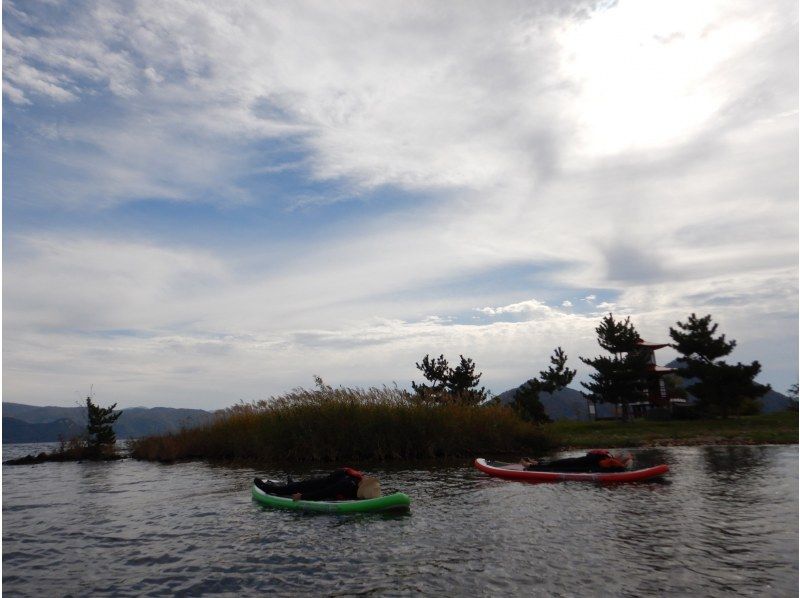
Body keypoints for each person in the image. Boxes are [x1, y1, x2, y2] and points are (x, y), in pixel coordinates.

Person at [253, 467, 382, 501]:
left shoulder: (349, 483)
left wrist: (302, 497)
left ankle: (268, 488)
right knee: (297, 485)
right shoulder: (355, 480)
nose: (365, 478)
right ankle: (284, 484)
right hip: (324, 481)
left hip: (322, 486)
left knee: (296, 488)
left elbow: (325, 492)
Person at [520, 449, 633, 473]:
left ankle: (531, 467)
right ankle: (537, 464)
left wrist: (619, 462)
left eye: (620, 455)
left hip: (585, 467)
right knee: (562, 462)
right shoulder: (610, 458)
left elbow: (608, 464)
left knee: (559, 467)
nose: (618, 454)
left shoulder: (615, 464)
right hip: (583, 462)